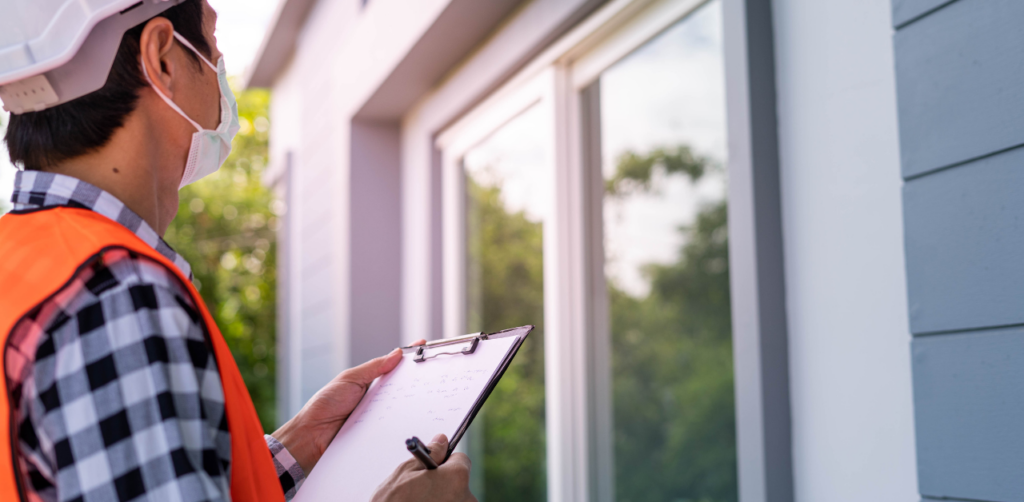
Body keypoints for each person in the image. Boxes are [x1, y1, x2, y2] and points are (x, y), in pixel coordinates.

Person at [0, 0, 474, 501]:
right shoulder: (117, 292)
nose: (220, 65)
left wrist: (298, 445)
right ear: (162, 56)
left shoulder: (26, 262)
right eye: (212, 39)